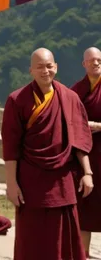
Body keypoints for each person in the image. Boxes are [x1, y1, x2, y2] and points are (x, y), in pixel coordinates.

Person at [2, 48, 93, 260]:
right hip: (30, 180)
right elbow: (11, 147)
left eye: (49, 66)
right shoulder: (17, 100)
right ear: (31, 70)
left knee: (64, 236)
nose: (46, 71)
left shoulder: (70, 98)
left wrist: (87, 172)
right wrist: (11, 184)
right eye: (40, 67)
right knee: (32, 238)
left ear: (56, 67)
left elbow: (79, 139)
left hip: (62, 179)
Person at [70, 47, 101, 258]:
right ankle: (83, 254)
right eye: (91, 61)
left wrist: (99, 126)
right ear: (84, 64)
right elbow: (69, 119)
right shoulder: (76, 90)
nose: (95, 63)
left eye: (99, 60)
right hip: (85, 155)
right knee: (85, 205)